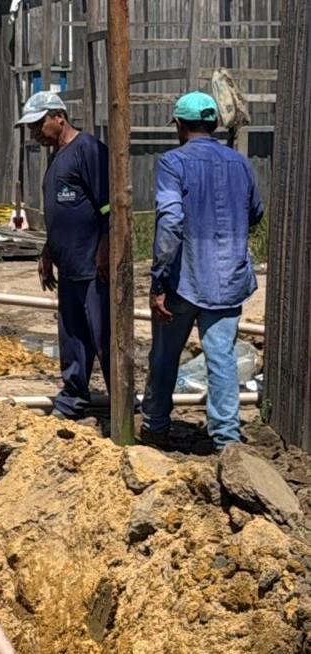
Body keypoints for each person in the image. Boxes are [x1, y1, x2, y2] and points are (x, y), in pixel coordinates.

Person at [140, 91, 264, 452]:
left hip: (182, 280)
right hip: (228, 278)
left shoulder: (172, 163)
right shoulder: (240, 164)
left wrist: (160, 279)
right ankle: (227, 439)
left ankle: (156, 427)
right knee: (221, 357)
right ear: (213, 124)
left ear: (179, 124)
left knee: (165, 355)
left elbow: (170, 220)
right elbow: (255, 212)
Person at [15, 91, 112, 419]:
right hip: (69, 267)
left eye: (39, 125)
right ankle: (74, 398)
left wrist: (106, 248)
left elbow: (110, 206)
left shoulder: (88, 151)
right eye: (31, 129)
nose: (36, 133)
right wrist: (47, 251)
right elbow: (60, 213)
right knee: (72, 337)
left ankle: (124, 405)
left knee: (105, 336)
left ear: (59, 116)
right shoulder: (57, 158)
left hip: (93, 267)